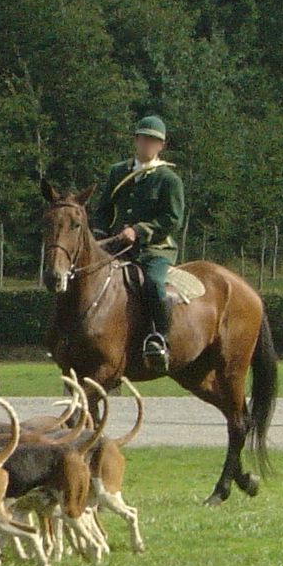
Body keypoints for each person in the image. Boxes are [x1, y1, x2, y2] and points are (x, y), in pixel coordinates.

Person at [90, 114, 185, 375]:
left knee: (153, 284)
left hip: (154, 249)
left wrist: (139, 231)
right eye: (143, 139)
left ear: (161, 145)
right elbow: (103, 209)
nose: (147, 145)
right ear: (136, 140)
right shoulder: (118, 172)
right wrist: (100, 234)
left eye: (153, 141)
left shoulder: (168, 179)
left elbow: (172, 219)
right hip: (116, 246)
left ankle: (159, 339)